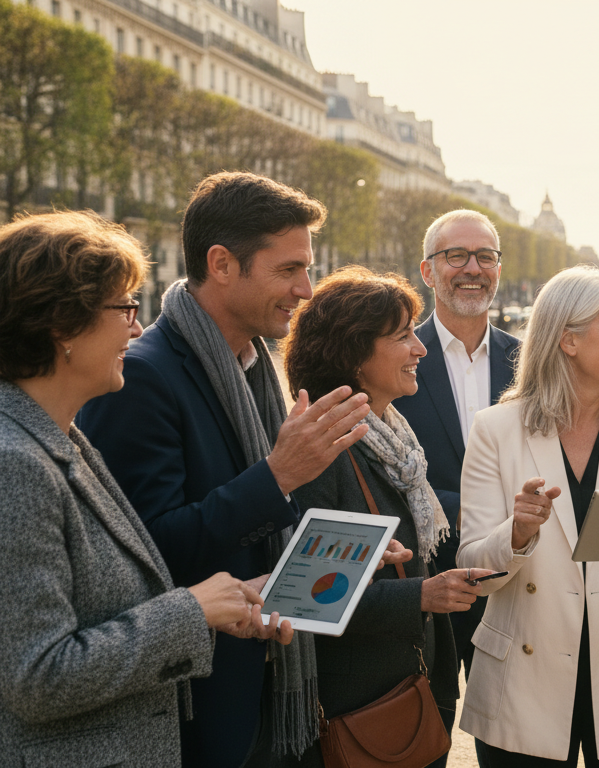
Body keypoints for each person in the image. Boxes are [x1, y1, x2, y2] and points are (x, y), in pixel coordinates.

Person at [78, 172, 377, 766]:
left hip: (266, 688)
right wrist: (279, 476)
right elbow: (147, 555)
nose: (307, 289)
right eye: (289, 269)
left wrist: (332, 547)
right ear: (221, 263)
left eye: (307, 268)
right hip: (199, 706)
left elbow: (254, 529)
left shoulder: (257, 368)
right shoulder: (141, 376)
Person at [0, 211, 292, 766]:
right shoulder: (15, 462)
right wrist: (191, 611)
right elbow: (37, 676)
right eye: (125, 308)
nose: (137, 330)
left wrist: (225, 602)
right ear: (62, 325)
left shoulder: (61, 440)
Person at [456, 266, 599, 766]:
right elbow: (472, 570)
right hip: (523, 687)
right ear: (568, 339)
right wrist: (516, 534)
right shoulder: (495, 430)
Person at [282, 266, 483, 766]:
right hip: (361, 707)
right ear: (353, 353)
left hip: (406, 691)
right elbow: (308, 600)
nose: (420, 349)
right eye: (403, 336)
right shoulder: (325, 448)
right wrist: (423, 594)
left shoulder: (390, 437)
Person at [395, 208, 521, 768]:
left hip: (518, 579)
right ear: (427, 270)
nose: (473, 269)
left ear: (498, 266)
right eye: (456, 257)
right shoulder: (391, 357)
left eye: (485, 256)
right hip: (425, 583)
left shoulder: (534, 360)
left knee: (517, 744)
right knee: (423, 741)